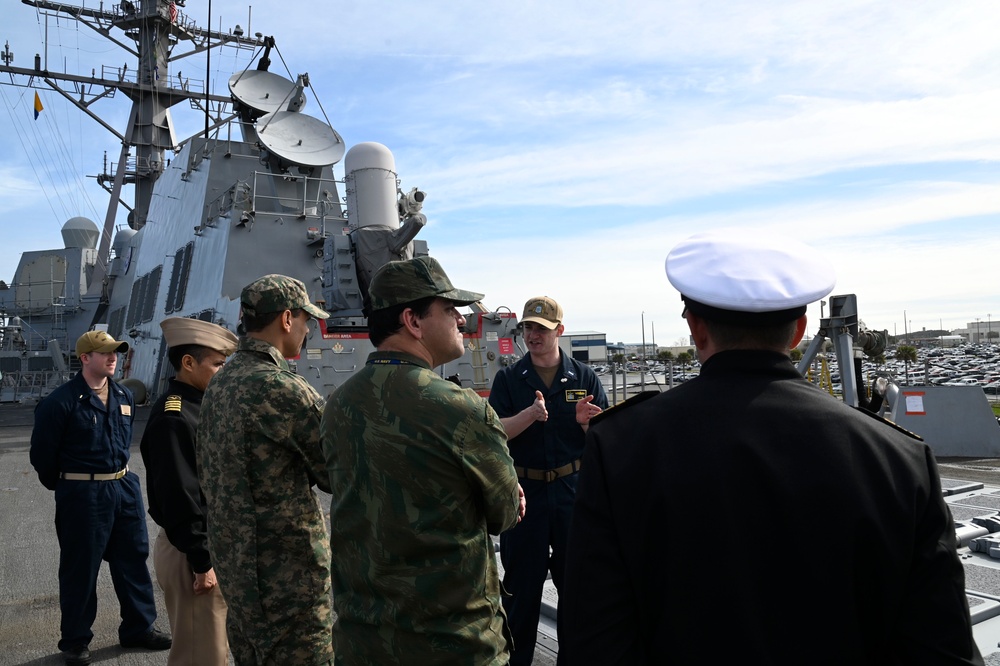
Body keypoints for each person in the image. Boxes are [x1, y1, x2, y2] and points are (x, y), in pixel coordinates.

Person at [560, 230, 984, 665]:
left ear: (696, 328)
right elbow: (942, 648)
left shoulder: (620, 447)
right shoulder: (899, 459)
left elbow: (593, 641)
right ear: (798, 331)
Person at [321, 256, 524, 665]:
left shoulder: (337, 405)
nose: (461, 321)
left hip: (363, 643)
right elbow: (505, 514)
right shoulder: (460, 409)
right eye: (449, 310)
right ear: (413, 321)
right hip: (452, 644)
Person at [196, 275, 335, 665]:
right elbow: (335, 472)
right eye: (307, 319)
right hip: (287, 577)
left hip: (237, 569)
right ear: (287, 319)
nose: (309, 329)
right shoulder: (283, 389)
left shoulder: (220, 383)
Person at [30, 330, 171, 666]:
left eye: (116, 353)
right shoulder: (60, 402)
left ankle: (138, 627)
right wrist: (70, 487)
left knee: (133, 560)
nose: (113, 358)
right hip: (83, 492)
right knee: (81, 567)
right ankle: (76, 641)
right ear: (85, 358)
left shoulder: (124, 396)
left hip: (122, 488)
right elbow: (42, 458)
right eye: (105, 353)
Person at [487, 296, 608, 665]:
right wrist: (527, 415)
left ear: (560, 330)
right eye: (527, 327)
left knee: (577, 593)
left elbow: (604, 440)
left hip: (573, 496)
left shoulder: (584, 378)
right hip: (526, 498)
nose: (532, 334)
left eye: (541, 327)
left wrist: (591, 426)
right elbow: (492, 434)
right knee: (521, 593)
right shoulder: (509, 379)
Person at [139, 317, 239, 665]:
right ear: (188, 363)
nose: (223, 371)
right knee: (200, 655)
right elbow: (180, 495)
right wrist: (202, 561)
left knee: (213, 650)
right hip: (192, 553)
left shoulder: (202, 405)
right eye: (217, 364)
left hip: (208, 547)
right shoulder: (175, 418)